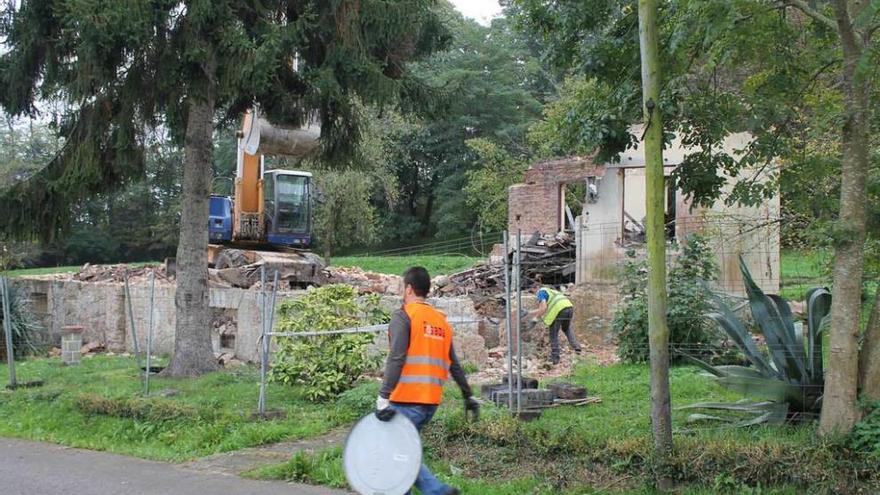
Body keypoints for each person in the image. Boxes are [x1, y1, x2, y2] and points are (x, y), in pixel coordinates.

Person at [375, 266, 479, 495]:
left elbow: (396, 357)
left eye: (403, 287)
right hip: (430, 403)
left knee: (397, 452)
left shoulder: (404, 315)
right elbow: (454, 364)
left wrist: (383, 396)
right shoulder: (440, 321)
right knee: (398, 455)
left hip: (405, 400)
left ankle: (437, 491)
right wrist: (468, 394)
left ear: (409, 288)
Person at [525, 284, 582, 364]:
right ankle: (576, 347)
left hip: (559, 310)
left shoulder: (541, 292)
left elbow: (544, 307)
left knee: (553, 334)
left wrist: (535, 318)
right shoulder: (552, 292)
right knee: (566, 328)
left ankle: (555, 357)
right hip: (569, 307)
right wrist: (528, 312)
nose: (535, 295)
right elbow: (542, 308)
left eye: (533, 291)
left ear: (536, 288)